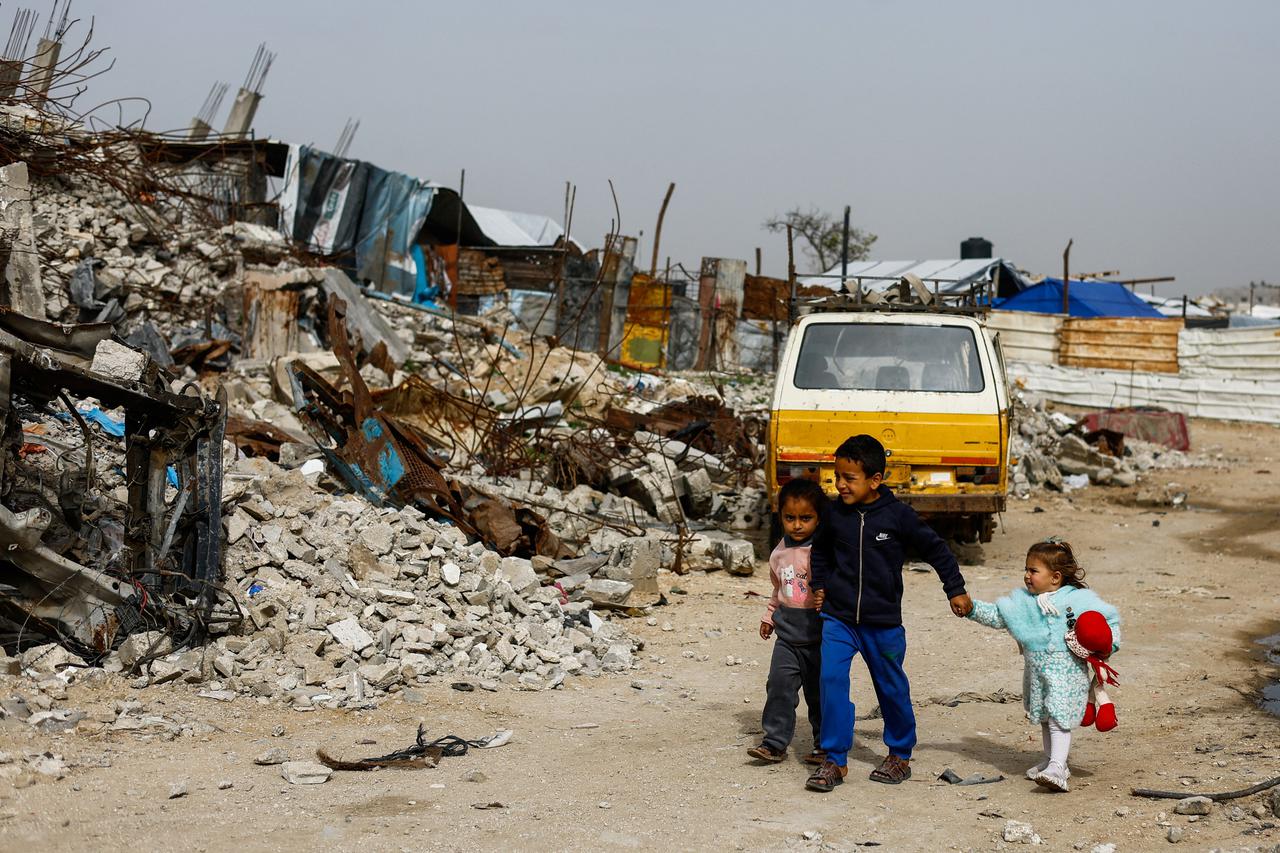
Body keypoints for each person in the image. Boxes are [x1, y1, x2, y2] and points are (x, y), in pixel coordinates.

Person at [805, 435, 972, 793]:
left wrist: (954, 588)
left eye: (850, 477)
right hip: (839, 619)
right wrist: (819, 585)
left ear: (875, 480)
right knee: (831, 681)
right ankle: (834, 759)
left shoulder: (898, 516)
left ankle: (899, 752)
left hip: (883, 624)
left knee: (890, 687)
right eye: (838, 476)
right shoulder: (834, 514)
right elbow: (819, 552)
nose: (841, 484)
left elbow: (936, 549)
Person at [959, 539, 1121, 792]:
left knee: (1058, 717)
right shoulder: (1024, 603)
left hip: (1067, 674)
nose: (1026, 576)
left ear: (1055, 577)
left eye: (1033, 571)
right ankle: (1050, 759)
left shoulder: (1078, 601)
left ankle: (1058, 767)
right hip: (1037, 674)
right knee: (1046, 717)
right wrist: (972, 608)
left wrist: (1108, 644)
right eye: (1026, 569)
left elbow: (1109, 622)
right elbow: (999, 616)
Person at [748, 478, 827, 766]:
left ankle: (825, 745)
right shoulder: (778, 553)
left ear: (819, 518)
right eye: (789, 518)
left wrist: (826, 597)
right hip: (787, 639)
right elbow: (778, 590)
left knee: (820, 694)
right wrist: (769, 616)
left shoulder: (822, 551)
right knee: (779, 687)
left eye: (805, 518)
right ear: (780, 516)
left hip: (820, 639)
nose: (797, 525)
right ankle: (774, 743)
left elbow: (837, 586)